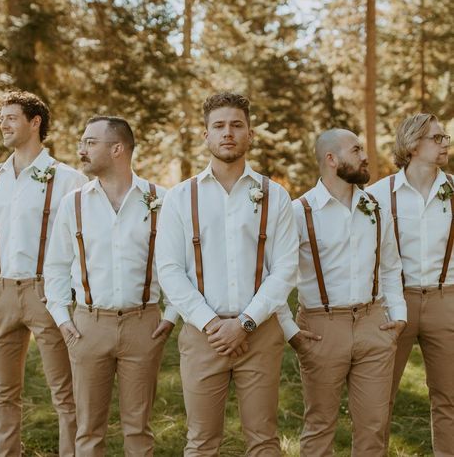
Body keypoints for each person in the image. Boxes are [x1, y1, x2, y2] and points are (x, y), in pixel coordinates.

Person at [156, 92, 298, 456]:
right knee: (201, 442)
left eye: (237, 125)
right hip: (203, 336)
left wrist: (246, 322)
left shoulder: (275, 195)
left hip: (261, 334)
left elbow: (285, 268)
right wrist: (210, 324)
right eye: (218, 126)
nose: (228, 133)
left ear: (250, 134)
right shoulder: (179, 197)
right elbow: (169, 270)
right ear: (206, 135)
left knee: (264, 441)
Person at [44, 116, 178, 456]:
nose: (81, 149)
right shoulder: (73, 204)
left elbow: (178, 265)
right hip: (88, 326)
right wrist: (63, 319)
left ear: (117, 148)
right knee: (88, 430)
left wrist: (171, 315)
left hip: (143, 325)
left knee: (138, 429)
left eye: (90, 142)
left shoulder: (161, 200)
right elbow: (56, 266)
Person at [0, 90, 86, 456]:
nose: (4, 125)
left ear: (34, 122)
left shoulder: (69, 180)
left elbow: (79, 242)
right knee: (2, 393)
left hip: (47, 295)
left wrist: (67, 294)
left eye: (11, 117)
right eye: (2, 118)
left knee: (65, 394)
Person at [291, 128, 406, 456]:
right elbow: (276, 275)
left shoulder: (375, 206)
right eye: (356, 149)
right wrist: (291, 331)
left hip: (374, 325)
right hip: (320, 328)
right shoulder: (299, 212)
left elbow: (390, 265)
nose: (365, 155)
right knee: (320, 425)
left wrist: (397, 316)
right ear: (332, 159)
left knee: (374, 425)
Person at [367, 113, 454, 455]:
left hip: (446, 300)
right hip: (392, 303)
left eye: (444, 137)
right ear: (413, 143)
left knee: (448, 398)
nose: (445, 143)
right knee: (378, 398)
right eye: (437, 138)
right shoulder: (376, 195)